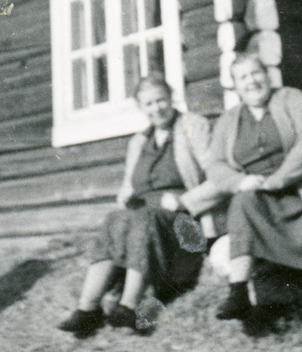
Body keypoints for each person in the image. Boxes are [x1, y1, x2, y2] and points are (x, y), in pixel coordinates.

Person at [204, 52, 302, 347]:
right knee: (242, 201)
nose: (252, 81)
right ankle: (237, 293)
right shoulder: (229, 121)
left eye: (256, 73)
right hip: (260, 198)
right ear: (235, 87)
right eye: (243, 77)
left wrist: (277, 179)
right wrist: (241, 181)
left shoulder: (292, 99)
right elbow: (214, 165)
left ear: (267, 75)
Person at [57, 76, 227, 336]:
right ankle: (88, 309)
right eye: (148, 104)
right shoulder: (138, 142)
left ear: (172, 99)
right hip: (145, 218)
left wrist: (184, 200)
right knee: (115, 218)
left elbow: (220, 178)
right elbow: (129, 185)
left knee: (144, 219)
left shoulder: (193, 126)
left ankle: (129, 306)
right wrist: (125, 195)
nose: (156, 108)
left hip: (185, 224)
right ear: (141, 107)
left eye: (161, 100)